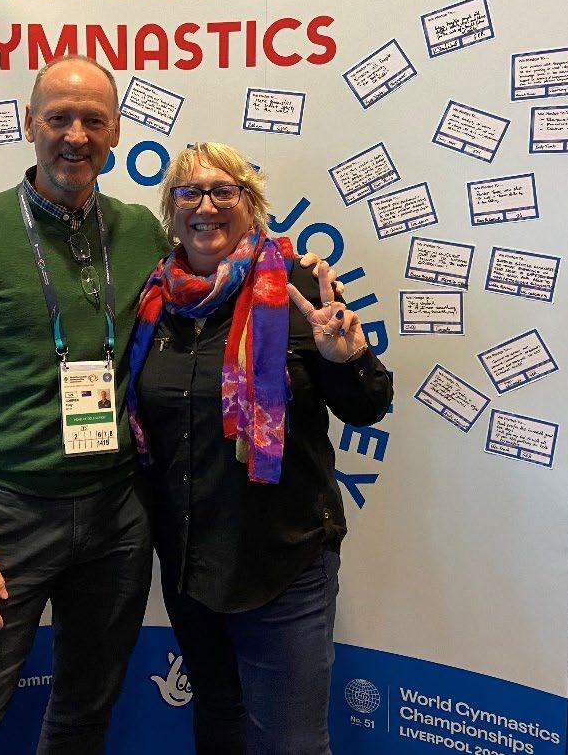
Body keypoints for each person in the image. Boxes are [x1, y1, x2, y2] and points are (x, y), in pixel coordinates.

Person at [0, 55, 171, 753]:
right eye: (58, 118)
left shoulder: (141, 231)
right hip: (3, 519)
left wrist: (292, 276)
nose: (75, 135)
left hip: (116, 517)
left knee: (84, 716)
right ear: (29, 124)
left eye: (93, 120)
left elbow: (213, 283)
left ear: (116, 132)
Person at [125, 142, 393, 755]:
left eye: (225, 191)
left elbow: (367, 406)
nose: (206, 206)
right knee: (220, 723)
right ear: (171, 211)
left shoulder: (295, 289)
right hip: (191, 564)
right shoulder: (156, 302)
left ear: (252, 204)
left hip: (283, 559)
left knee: (290, 745)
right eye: (189, 193)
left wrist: (347, 358)